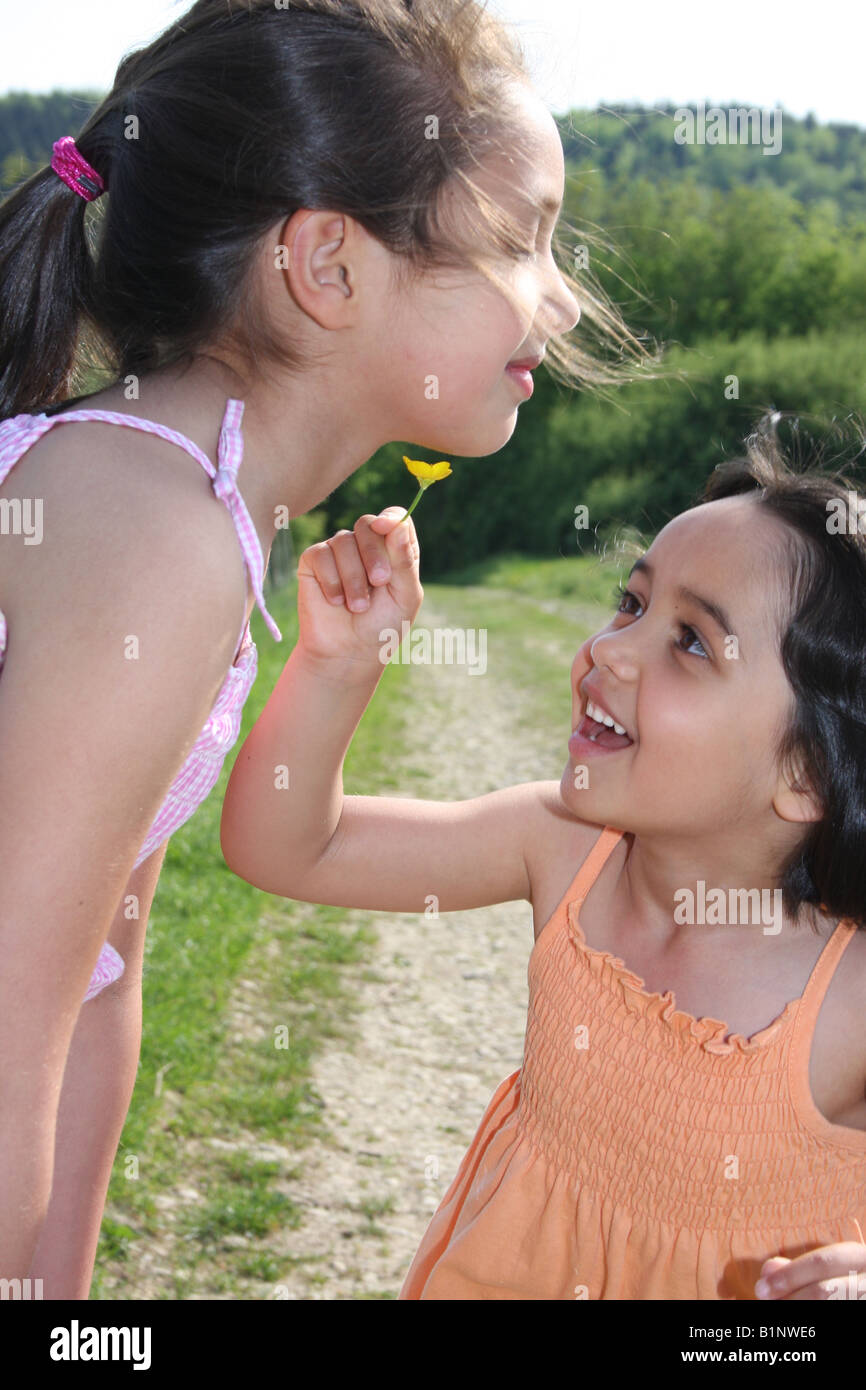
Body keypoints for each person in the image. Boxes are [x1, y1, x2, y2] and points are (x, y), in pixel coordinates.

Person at [0, 0, 638, 1296]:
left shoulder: (183, 514)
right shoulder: (153, 534)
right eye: (524, 238)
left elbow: (100, 971)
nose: (560, 297)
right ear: (326, 267)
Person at [221, 416, 866, 1299]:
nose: (609, 649)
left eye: (689, 643)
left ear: (806, 774)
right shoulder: (566, 848)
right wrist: (337, 669)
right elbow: (289, 848)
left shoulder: (850, 997)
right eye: (633, 604)